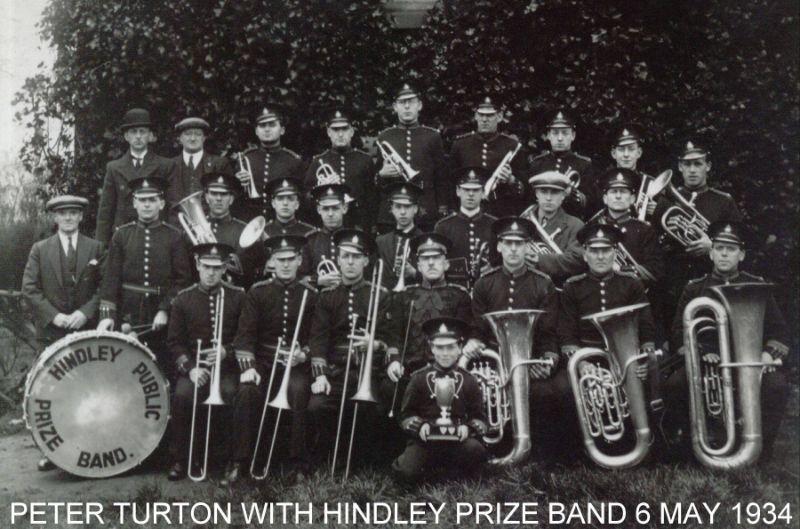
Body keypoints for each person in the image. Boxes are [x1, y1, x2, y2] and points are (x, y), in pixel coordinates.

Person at [662, 221, 790, 461]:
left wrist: (768, 355)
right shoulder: (694, 289)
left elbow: (779, 331)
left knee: (777, 385)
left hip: (749, 361)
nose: (723, 253)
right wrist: (699, 354)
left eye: (730, 249)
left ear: (741, 255)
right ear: (710, 253)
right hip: (706, 359)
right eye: (719, 248)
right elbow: (678, 331)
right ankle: (692, 447)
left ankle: (762, 450)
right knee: (675, 385)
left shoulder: (756, 285)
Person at [558, 224, 657, 459]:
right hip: (589, 356)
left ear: (615, 252)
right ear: (585, 254)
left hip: (627, 355)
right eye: (594, 250)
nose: (600, 256)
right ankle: (580, 450)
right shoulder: (573, 286)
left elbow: (646, 327)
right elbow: (566, 334)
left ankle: (648, 443)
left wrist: (644, 358)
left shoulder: (631, 283)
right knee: (564, 389)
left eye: (606, 250)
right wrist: (581, 364)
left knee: (652, 379)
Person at [21, 195, 105, 472]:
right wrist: (55, 316)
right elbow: (30, 289)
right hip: (51, 334)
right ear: (55, 218)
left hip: (87, 331)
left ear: (81, 217)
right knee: (52, 394)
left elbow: (104, 288)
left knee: (88, 391)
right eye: (63, 214)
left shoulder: (96, 247)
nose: (68, 218)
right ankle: (51, 451)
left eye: (73, 213)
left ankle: (89, 448)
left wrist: (85, 313)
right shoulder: (40, 249)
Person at [467, 217, 561, 456]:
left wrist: (547, 360)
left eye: (519, 244)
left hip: (531, 361)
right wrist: (474, 342)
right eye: (507, 243)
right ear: (498, 246)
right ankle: (492, 448)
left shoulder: (543, 284)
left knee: (549, 393)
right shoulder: (484, 284)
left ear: (528, 247)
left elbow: (549, 332)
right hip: (493, 361)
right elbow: (477, 329)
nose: (513, 249)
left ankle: (540, 453)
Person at [227, 235, 317, 482]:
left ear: (299, 261)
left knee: (299, 390)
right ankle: (239, 461)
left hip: (295, 364)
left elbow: (317, 337)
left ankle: (298, 463)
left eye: (290, 259)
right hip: (264, 361)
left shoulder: (310, 294)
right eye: (280, 260)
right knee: (246, 392)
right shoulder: (257, 293)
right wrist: (249, 367)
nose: (286, 265)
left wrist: (304, 354)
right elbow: (244, 337)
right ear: (272, 262)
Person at [306, 229, 397, 467]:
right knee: (317, 406)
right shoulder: (327, 297)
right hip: (336, 370)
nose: (350, 262)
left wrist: (374, 343)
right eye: (345, 256)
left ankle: (361, 462)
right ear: (337, 258)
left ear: (366, 261)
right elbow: (318, 339)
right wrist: (321, 375)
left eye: (356, 257)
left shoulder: (380, 295)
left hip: (368, 369)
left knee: (373, 410)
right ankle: (327, 458)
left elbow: (391, 337)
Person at [165, 243, 245, 481]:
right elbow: (174, 342)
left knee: (232, 393)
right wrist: (190, 369)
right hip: (195, 367)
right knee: (182, 396)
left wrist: (226, 352)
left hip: (227, 368)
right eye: (207, 267)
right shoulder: (183, 299)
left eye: (217, 268)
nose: (211, 273)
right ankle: (182, 458)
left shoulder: (238, 296)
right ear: (198, 266)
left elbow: (245, 337)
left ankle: (231, 460)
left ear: (224, 269)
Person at [653, 140, 743, 349]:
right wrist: (668, 233)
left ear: (707, 166)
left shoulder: (723, 201)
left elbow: (738, 240)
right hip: (674, 280)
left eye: (698, 164)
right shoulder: (665, 203)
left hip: (709, 279)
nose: (692, 170)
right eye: (688, 164)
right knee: (675, 339)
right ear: (680, 167)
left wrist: (710, 245)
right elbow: (654, 242)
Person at [97, 177, 192, 373]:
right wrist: (108, 316)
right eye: (142, 200)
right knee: (123, 370)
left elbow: (183, 280)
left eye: (152, 200)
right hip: (127, 313)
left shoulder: (175, 236)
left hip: (161, 316)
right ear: (134, 203)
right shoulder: (121, 235)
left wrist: (165, 309)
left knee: (160, 369)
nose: (147, 205)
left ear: (161, 203)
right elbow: (111, 280)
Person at [380, 232, 473, 419]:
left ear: (446, 264)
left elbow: (465, 335)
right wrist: (394, 361)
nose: (431, 263)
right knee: (388, 388)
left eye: (437, 258)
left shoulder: (460, 295)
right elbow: (394, 334)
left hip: (447, 369)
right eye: (425, 259)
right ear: (419, 266)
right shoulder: (403, 295)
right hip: (409, 371)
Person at [392, 317, 487, 483]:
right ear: (431, 348)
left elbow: (480, 418)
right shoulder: (418, 378)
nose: (444, 353)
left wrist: (468, 428)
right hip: (425, 441)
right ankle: (434, 470)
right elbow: (405, 414)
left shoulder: (469, 380)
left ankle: (445, 471)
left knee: (476, 451)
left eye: (450, 347)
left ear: (460, 348)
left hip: (458, 440)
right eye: (439, 347)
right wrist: (420, 426)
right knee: (406, 473)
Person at [95, 108, 175, 245]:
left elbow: (172, 206)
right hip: (123, 238)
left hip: (156, 237)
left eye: (142, 131)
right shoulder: (114, 167)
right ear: (126, 136)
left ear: (150, 135)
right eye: (133, 132)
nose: (138, 136)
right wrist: (101, 247)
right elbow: (105, 212)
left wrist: (171, 239)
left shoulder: (165, 166)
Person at [376, 83, 447, 232]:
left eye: (411, 101)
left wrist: (442, 208)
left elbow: (441, 177)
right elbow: (377, 183)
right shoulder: (385, 136)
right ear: (395, 107)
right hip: (393, 211)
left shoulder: (432, 136)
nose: (407, 106)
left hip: (425, 209)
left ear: (419, 105)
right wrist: (382, 174)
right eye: (402, 102)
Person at [449, 96, 528, 216]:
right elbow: (450, 182)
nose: (484, 119)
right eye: (481, 115)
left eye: (490, 115)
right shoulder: (460, 145)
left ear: (499, 117)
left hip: (501, 211)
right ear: (475, 116)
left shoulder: (512, 146)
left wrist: (510, 180)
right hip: (468, 212)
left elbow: (524, 189)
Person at [589, 168, 664, 289]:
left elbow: (655, 271)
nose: (618, 196)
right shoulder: (593, 227)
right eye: (613, 192)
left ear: (633, 199)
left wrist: (621, 269)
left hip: (632, 293)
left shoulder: (645, 230)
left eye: (623, 192)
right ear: (605, 199)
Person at [304, 109, 377, 230]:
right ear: (329, 132)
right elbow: (306, 198)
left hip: (357, 225)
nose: (340, 134)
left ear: (352, 132)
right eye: (335, 130)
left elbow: (373, 198)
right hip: (327, 226)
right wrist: (321, 187)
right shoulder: (318, 161)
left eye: (344, 129)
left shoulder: (365, 160)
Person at [233, 105, 304, 222]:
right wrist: (236, 184)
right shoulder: (246, 158)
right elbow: (235, 199)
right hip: (249, 221)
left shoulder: (293, 160)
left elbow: (300, 199)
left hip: (279, 223)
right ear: (256, 131)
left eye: (272, 125)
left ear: (282, 130)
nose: (267, 129)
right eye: (262, 126)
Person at [434, 167, 497, 292]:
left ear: (483, 193)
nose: (471, 194)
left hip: (488, 290)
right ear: (458, 191)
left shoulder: (494, 224)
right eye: (466, 189)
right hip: (453, 292)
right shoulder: (443, 227)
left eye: (476, 190)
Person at [521, 171, 586, 287]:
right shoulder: (523, 222)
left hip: (559, 290)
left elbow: (577, 261)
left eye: (555, 192)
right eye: (543, 191)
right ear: (536, 193)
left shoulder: (576, 225)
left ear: (563, 195)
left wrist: (539, 259)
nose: (548, 198)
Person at [529, 109, 594, 219]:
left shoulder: (584, 164)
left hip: (571, 220)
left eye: (565, 133)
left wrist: (572, 193)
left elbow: (590, 202)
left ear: (573, 135)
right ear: (548, 135)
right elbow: (529, 197)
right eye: (555, 133)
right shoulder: (537, 163)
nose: (560, 138)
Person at [166, 116, 233, 221]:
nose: (193, 138)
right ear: (180, 138)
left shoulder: (220, 164)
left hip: (211, 224)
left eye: (198, 134)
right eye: (188, 134)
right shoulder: (169, 165)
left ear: (204, 138)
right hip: (176, 226)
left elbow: (228, 197)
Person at [196, 172, 252, 288]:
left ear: (231, 199)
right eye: (214, 193)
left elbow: (248, 272)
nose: (218, 199)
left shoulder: (244, 230)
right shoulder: (196, 228)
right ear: (206, 197)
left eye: (224, 194)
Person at [302, 183, 352, 288]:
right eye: (325, 209)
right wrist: (317, 280)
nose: (330, 214)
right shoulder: (310, 240)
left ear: (345, 208)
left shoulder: (353, 237)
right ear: (319, 210)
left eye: (335, 208)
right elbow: (300, 277)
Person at [375, 182, 423, 289]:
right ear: (391, 209)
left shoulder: (424, 240)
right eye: (398, 206)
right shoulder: (381, 242)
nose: (402, 212)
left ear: (415, 209)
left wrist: (415, 273)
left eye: (407, 207)